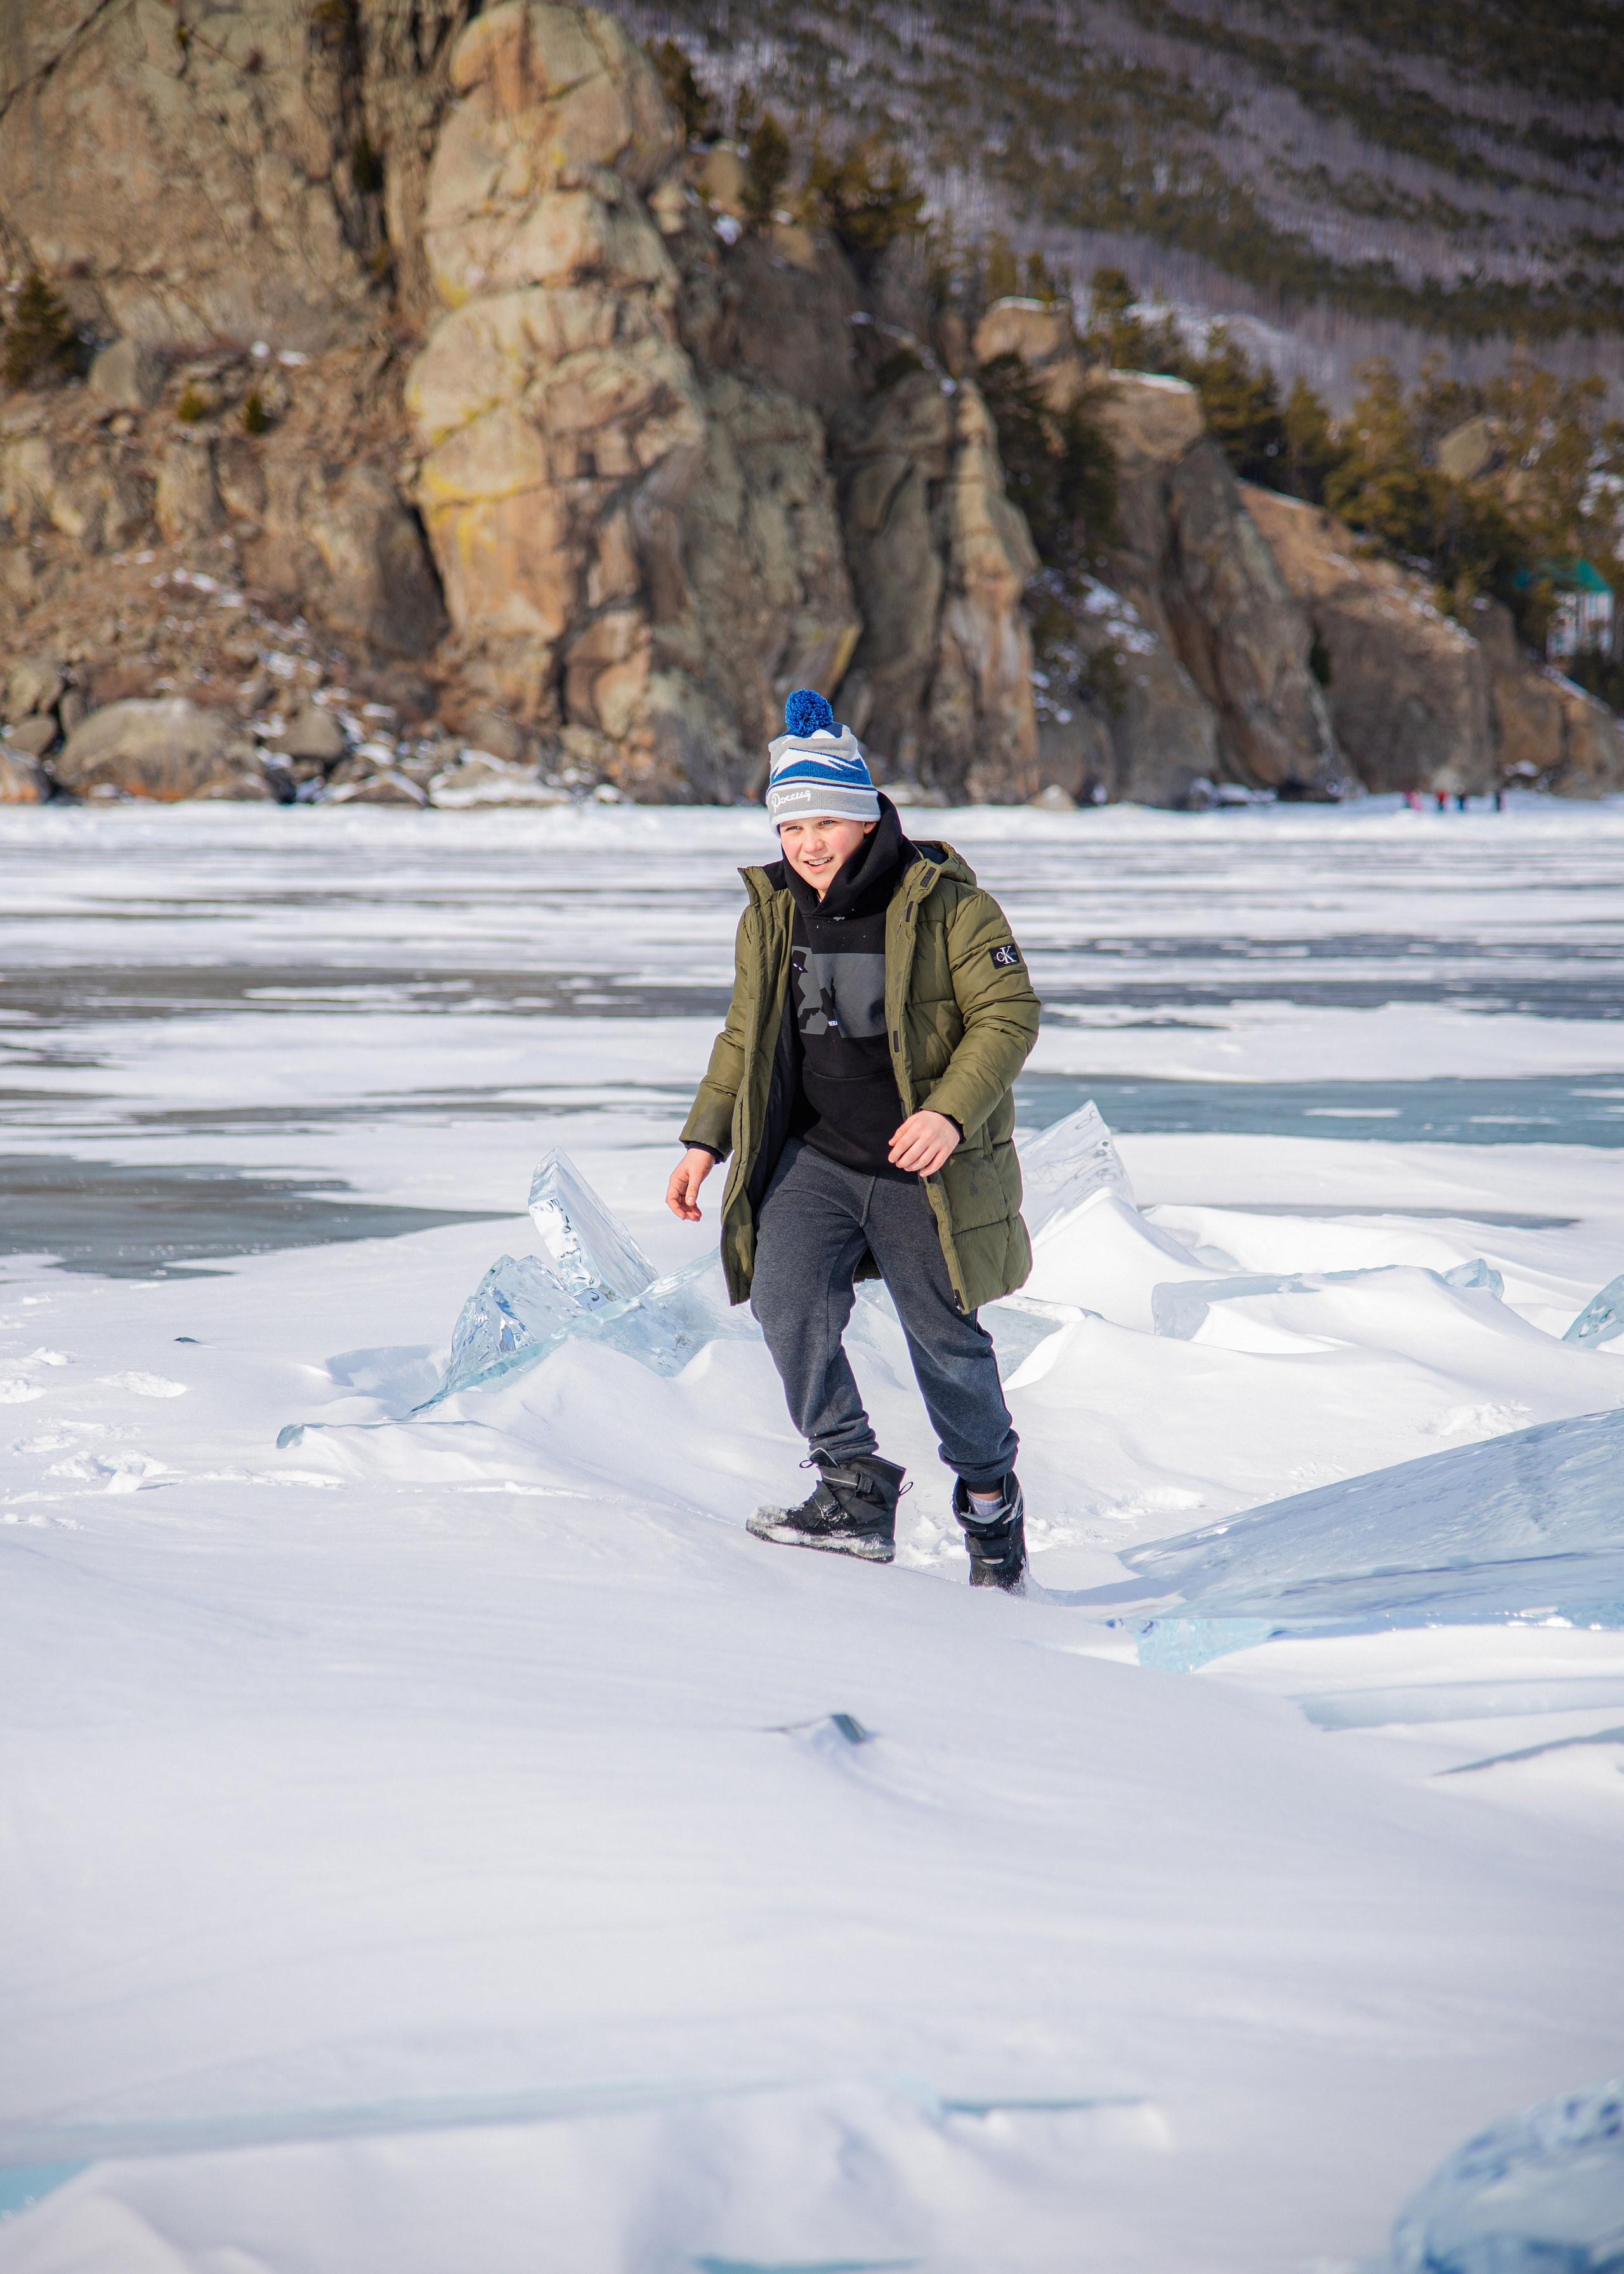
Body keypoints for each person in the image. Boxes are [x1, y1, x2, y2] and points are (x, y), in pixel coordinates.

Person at [665, 690, 1042, 1589]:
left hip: (923, 1170)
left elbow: (1008, 1014)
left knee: (944, 1343)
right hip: (818, 1156)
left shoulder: (950, 906)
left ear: (867, 818)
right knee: (784, 1297)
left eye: (826, 822)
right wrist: (705, 1141)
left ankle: (990, 1499)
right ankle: (852, 1483)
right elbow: (745, 1036)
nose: (809, 845)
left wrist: (946, 1113)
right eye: (792, 827)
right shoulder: (773, 912)